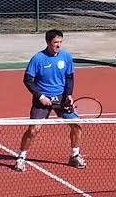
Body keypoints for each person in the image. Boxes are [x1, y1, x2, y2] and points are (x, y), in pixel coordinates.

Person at [14, 29, 86, 171]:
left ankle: (75, 156)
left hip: (61, 98)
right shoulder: (38, 58)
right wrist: (40, 96)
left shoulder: (66, 56)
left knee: (77, 125)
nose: (58, 45)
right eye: (55, 43)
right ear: (48, 43)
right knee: (34, 130)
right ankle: (21, 157)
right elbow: (28, 80)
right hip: (42, 99)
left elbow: (69, 77)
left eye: (60, 42)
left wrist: (69, 94)